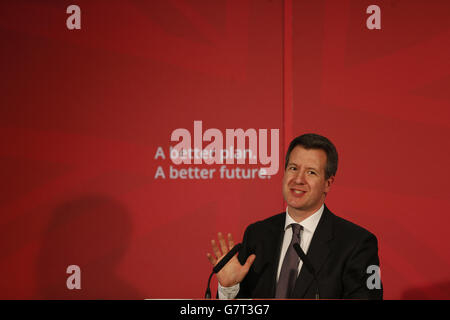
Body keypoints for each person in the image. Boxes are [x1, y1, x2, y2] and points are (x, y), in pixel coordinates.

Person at [206, 133, 383, 299]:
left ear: (327, 184)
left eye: (311, 172)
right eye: (293, 168)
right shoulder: (257, 235)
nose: (298, 179)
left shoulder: (357, 243)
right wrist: (229, 288)